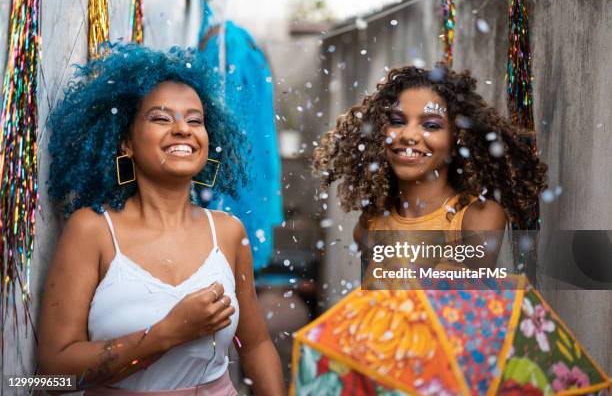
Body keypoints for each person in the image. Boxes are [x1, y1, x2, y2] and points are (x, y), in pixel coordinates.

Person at [38, 44, 285, 395]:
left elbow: (257, 345)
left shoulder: (228, 233)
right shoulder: (92, 230)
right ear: (126, 142)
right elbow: (51, 373)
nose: (183, 129)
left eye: (195, 120)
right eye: (161, 118)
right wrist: (168, 333)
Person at [313, 63, 547, 272]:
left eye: (431, 125)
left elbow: (465, 308)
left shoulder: (477, 219)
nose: (409, 135)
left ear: (458, 139)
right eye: (397, 121)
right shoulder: (369, 224)